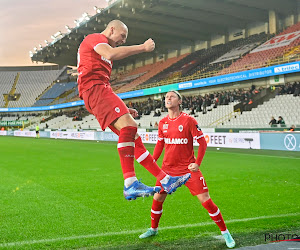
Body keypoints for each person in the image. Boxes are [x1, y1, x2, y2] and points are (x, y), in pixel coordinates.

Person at [77, 20, 191, 201]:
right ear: (111, 29)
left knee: (134, 137)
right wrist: (142, 47)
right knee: (129, 127)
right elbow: (111, 54)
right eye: (122, 36)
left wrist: (123, 107)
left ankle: (166, 179)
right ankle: (130, 183)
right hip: (94, 90)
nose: (123, 40)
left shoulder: (102, 55)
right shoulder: (96, 39)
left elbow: (105, 84)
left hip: (98, 91)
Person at [139, 91, 235, 249]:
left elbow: (203, 143)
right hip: (167, 170)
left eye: (172, 96)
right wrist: (152, 161)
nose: (168, 99)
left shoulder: (189, 120)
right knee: (157, 199)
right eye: (166, 97)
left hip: (188, 170)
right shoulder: (162, 123)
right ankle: (153, 229)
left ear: (179, 101)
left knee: (206, 200)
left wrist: (197, 163)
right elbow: (160, 145)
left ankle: (225, 233)